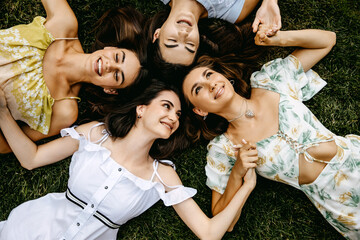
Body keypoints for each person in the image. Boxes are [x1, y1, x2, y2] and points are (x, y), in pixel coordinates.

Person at [0, 80, 256, 240]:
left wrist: (246, 187)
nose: (173, 117)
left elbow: (209, 233)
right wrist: (2, 113)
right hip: (28, 231)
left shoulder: (162, 175)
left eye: (178, 114)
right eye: (166, 106)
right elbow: (31, 158)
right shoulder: (95, 134)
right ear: (141, 108)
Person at [182, 26, 360, 239]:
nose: (210, 84)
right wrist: (237, 172)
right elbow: (224, 222)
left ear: (223, 76)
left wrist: (277, 39)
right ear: (200, 110)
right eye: (198, 89)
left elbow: (327, 40)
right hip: (342, 205)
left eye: (209, 74)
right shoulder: (225, 148)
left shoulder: (270, 81)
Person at [0, 1, 148, 153]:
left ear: (110, 90)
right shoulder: (64, 25)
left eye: (117, 75)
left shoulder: (64, 110)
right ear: (111, 48)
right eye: (117, 57)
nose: (110, 66)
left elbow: (7, 145)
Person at [147, 0, 281, 66]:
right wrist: (269, 2)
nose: (183, 34)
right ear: (199, 40)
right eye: (189, 45)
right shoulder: (232, 12)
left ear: (157, 34)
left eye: (172, 41)